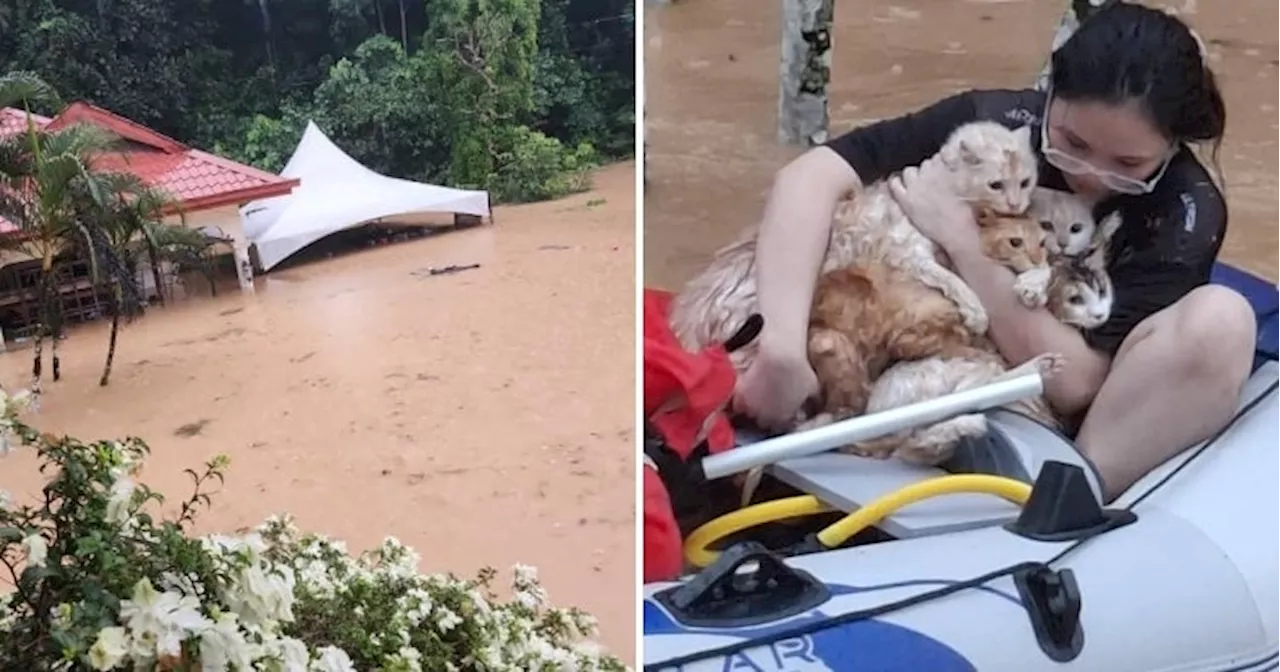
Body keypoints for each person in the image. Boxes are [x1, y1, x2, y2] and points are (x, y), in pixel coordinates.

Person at [733, 1, 1257, 503]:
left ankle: (1066, 504)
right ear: (1050, 97)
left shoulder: (1185, 209)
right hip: (924, 349)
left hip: (1067, 408)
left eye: (1127, 162)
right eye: (1072, 144)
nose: (1088, 174)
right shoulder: (996, 127)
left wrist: (962, 238)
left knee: (1223, 321)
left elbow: (1075, 380)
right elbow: (811, 176)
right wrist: (782, 346)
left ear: (1170, 148)